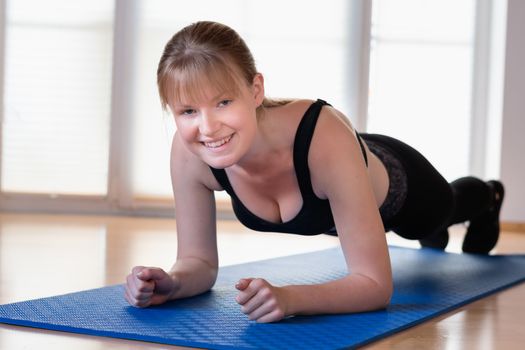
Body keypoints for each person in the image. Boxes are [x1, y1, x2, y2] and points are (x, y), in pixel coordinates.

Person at [124, 21, 505, 323]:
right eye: (188, 111)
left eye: (223, 102)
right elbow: (200, 264)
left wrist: (291, 298)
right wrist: (172, 283)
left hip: (398, 186)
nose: (207, 128)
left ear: (255, 90)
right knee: (423, 234)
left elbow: (374, 285)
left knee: (437, 215)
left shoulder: (322, 137)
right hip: (339, 179)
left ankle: (488, 197)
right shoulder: (192, 153)